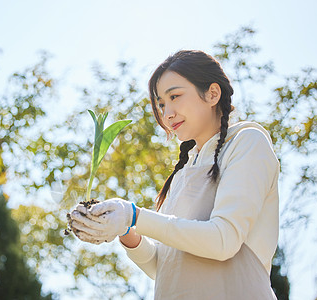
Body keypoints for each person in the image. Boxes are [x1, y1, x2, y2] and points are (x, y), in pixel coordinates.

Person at [69, 49, 280, 299]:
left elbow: (224, 241)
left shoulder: (247, 141)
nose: (167, 113)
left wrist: (133, 214)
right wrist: (124, 229)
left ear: (212, 93)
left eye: (175, 96)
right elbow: (163, 266)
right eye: (161, 104)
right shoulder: (182, 173)